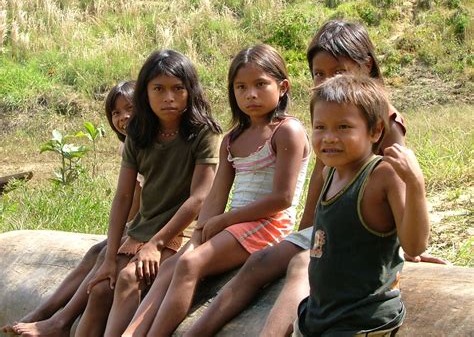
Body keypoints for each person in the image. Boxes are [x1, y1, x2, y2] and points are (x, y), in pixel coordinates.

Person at [185, 19, 446, 337]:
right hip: (327, 230)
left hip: (362, 235)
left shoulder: (382, 122)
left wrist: (411, 248)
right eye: (318, 74)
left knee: (300, 266)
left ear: (365, 65)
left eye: (337, 72)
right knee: (260, 263)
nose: (325, 82)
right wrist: (305, 231)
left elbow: (401, 188)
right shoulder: (329, 120)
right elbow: (320, 180)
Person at [12, 49, 222, 337]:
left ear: (191, 91)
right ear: (145, 94)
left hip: (179, 232)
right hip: (140, 231)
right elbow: (123, 197)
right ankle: (60, 324)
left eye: (177, 89)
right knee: (99, 289)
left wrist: (156, 244)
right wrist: (110, 256)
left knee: (127, 279)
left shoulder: (202, 133)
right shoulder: (139, 133)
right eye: (158, 89)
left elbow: (199, 198)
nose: (168, 97)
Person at [121, 44, 310, 337]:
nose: (251, 94)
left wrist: (223, 222)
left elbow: (282, 199)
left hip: (270, 226)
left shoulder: (287, 130)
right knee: (171, 265)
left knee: (189, 264)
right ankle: (131, 333)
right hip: (235, 224)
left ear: (283, 87)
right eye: (241, 87)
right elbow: (217, 195)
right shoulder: (233, 139)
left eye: (261, 84)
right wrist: (200, 230)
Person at [2, 80, 142, 335]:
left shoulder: (153, 146)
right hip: (142, 224)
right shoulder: (128, 146)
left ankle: (60, 321)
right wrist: (122, 233)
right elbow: (132, 197)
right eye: (116, 113)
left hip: (157, 227)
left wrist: (128, 237)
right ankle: (43, 313)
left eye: (130, 108)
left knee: (103, 260)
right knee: (95, 252)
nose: (124, 117)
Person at [294, 74, 430, 336]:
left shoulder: (382, 175)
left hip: (361, 319)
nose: (329, 137)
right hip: (321, 313)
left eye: (343, 127)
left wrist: (415, 184)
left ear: (376, 130)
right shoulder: (329, 173)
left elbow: (415, 245)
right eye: (320, 127)